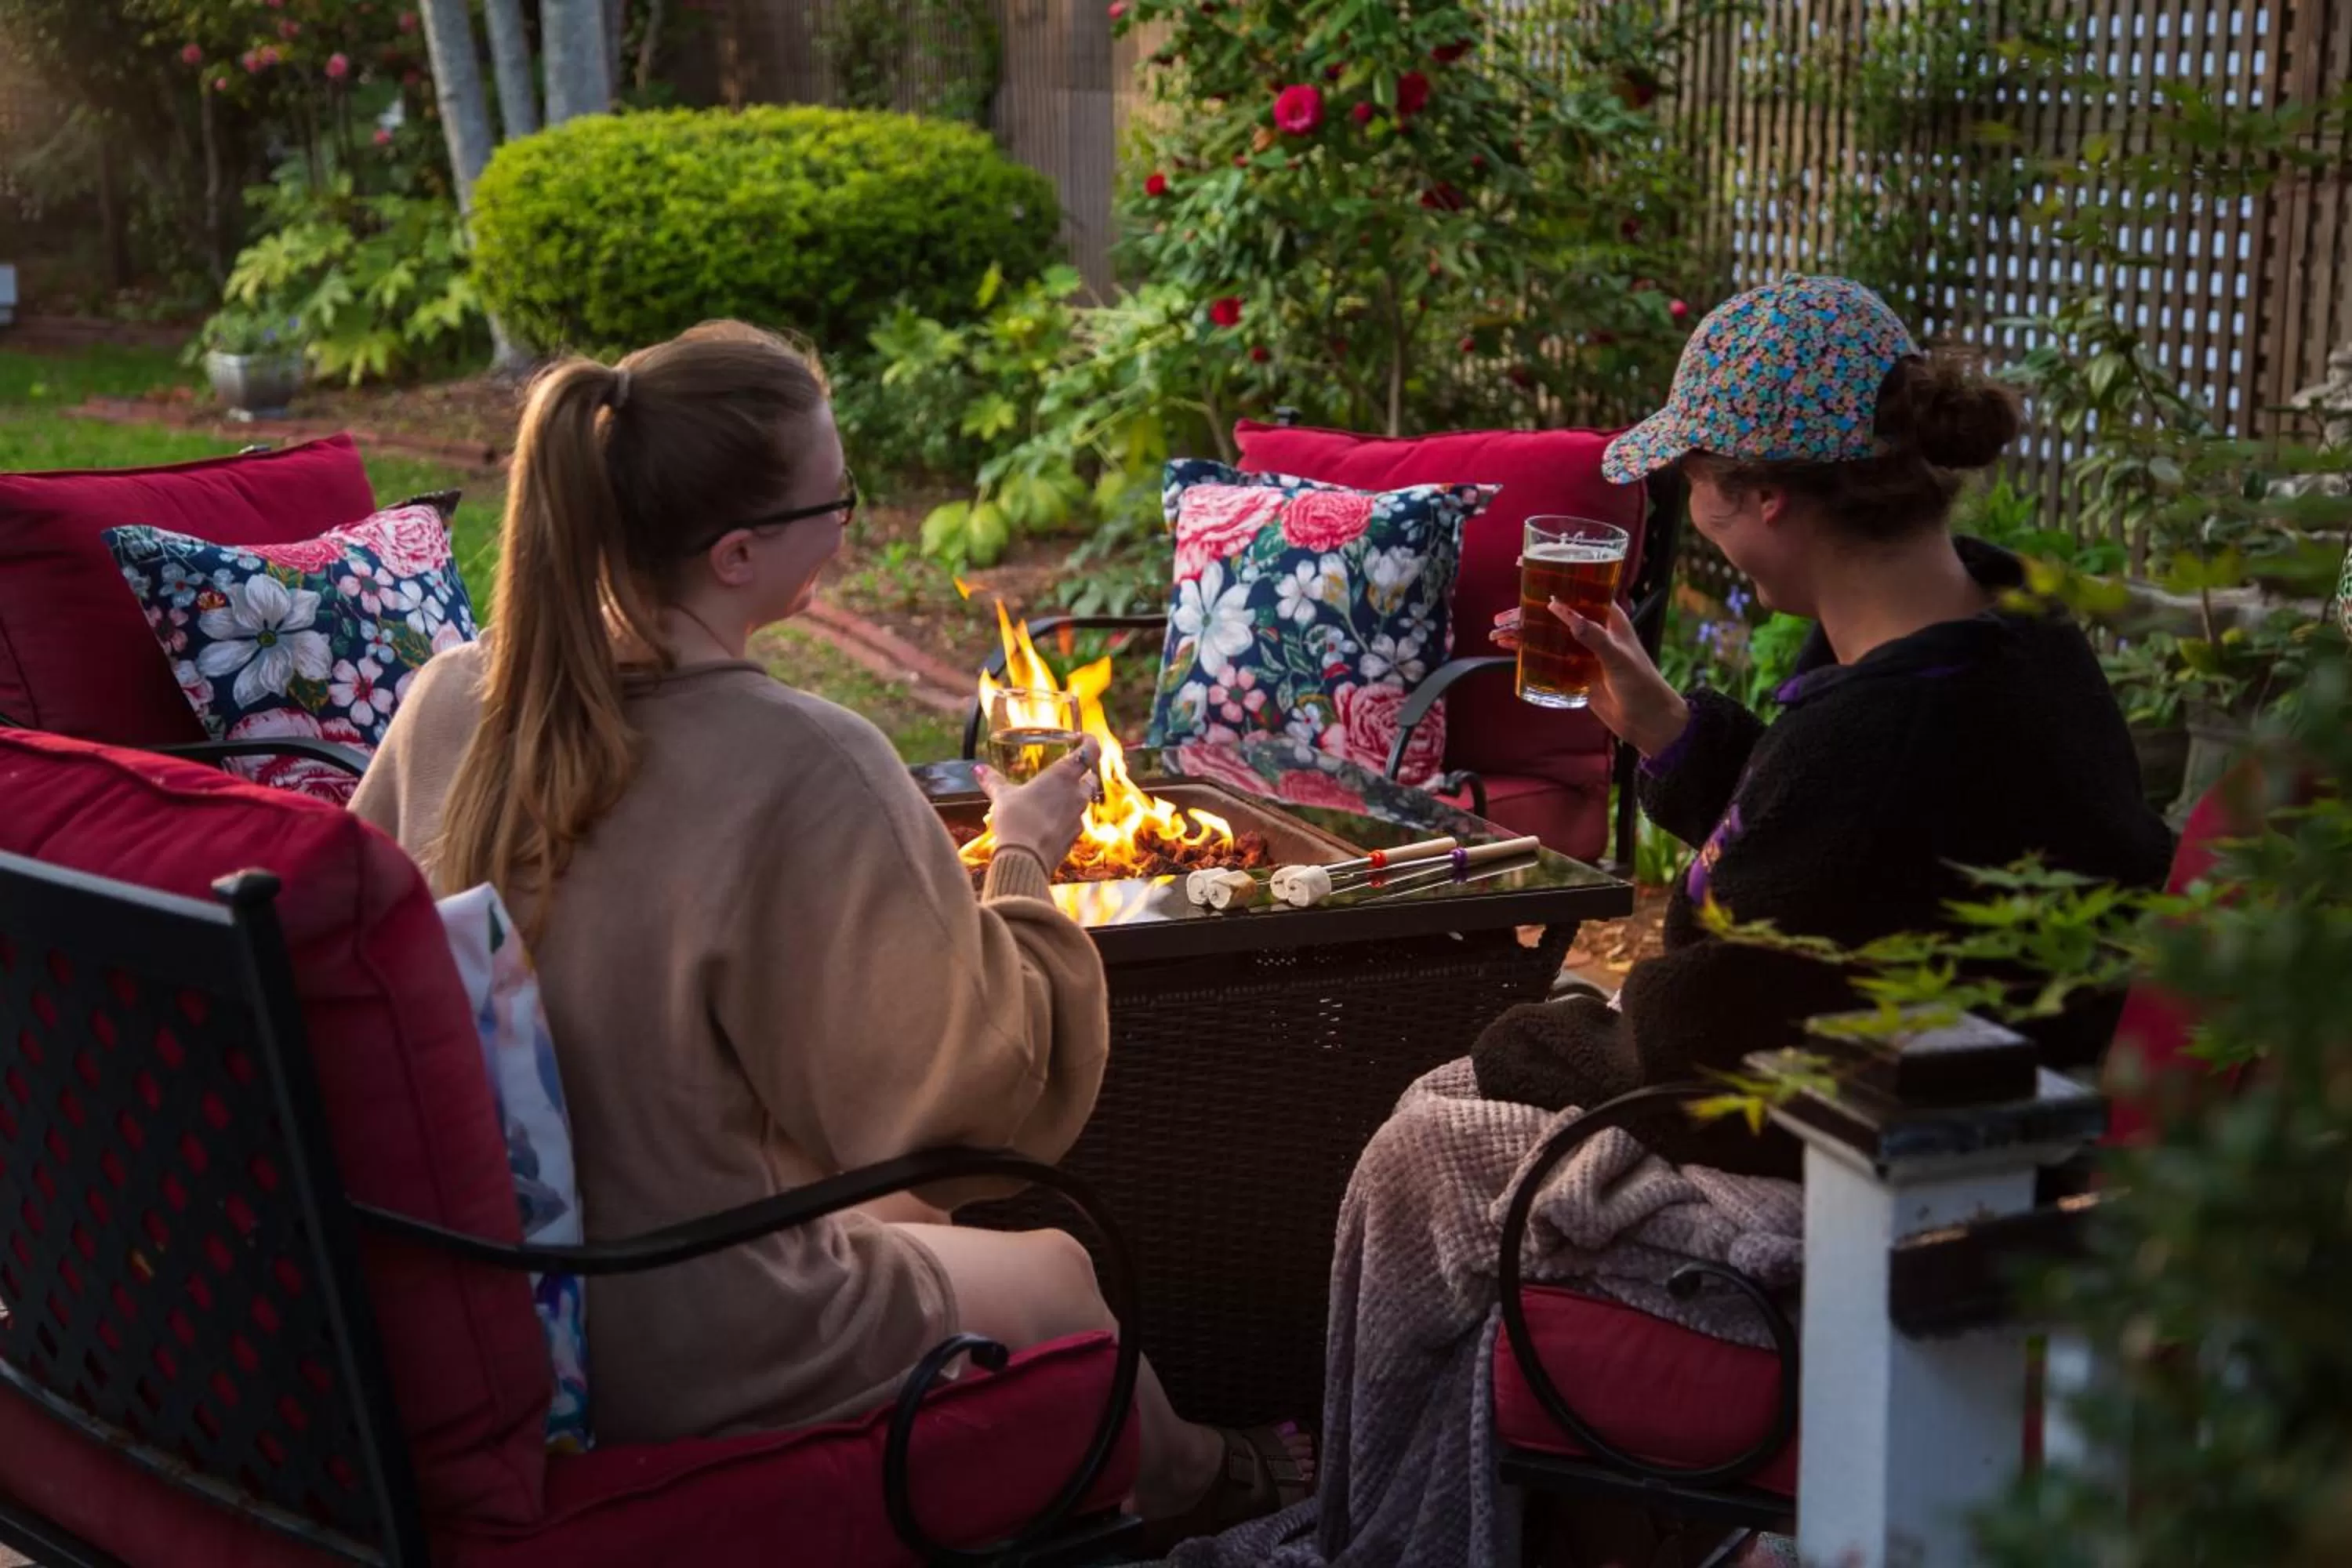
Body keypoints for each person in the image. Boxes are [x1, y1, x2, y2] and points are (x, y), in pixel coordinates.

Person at [350, 321, 1308, 1530]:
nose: (851, 525)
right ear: (739, 553)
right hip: (669, 1328)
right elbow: (972, 1098)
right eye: (837, 502)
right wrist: (1020, 856)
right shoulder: (806, 762)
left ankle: (1184, 1470)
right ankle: (1200, 1488)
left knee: (896, 1211)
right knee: (1060, 1272)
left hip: (492, 1277)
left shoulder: (449, 699)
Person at [1477, 274, 2176, 1175]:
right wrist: (1671, 732)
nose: (1698, 513)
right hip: (1992, 1107)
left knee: (1433, 1125)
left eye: (1695, 480)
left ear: (1768, 494)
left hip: (1895, 1165)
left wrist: (1523, 1034)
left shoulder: (1879, 733)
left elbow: (1690, 1040)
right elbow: (1840, 860)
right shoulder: (2009, 638)